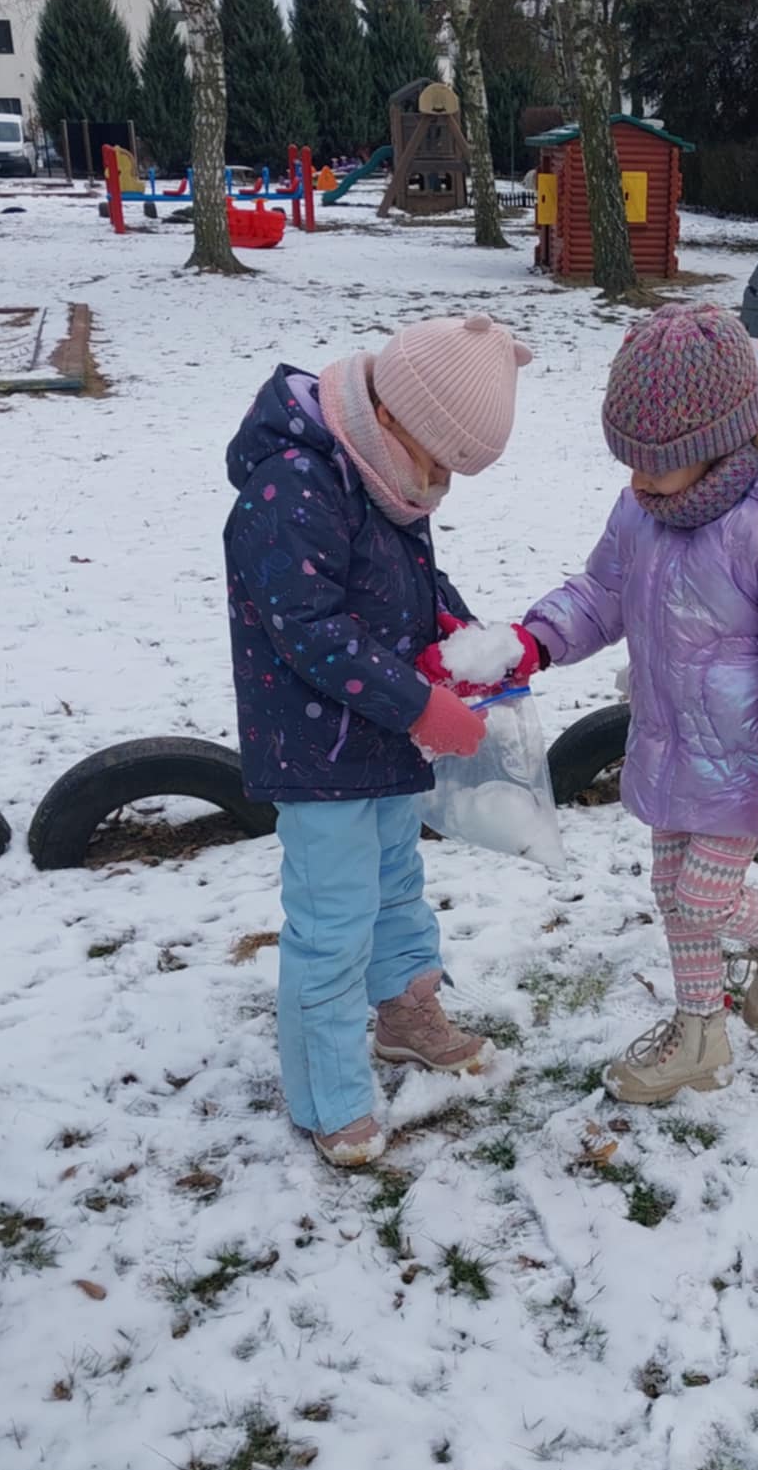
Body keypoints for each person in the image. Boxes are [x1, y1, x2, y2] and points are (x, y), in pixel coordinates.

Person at [516, 302, 758, 1104]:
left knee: (703, 895)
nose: (638, 479)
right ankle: (700, 1036)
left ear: (715, 444)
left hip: (752, 757)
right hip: (669, 741)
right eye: (630, 461)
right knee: (670, 892)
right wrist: (536, 639)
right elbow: (602, 592)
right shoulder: (641, 511)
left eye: (656, 463)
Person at [223, 314, 535, 1167]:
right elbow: (309, 627)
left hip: (384, 740)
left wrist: (459, 632)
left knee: (398, 884)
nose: (439, 485)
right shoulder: (291, 487)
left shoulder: (382, 470)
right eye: (438, 462)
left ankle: (404, 1013)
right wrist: (421, 706)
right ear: (392, 416)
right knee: (332, 921)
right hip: (316, 750)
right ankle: (328, 1096)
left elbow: (409, 578)